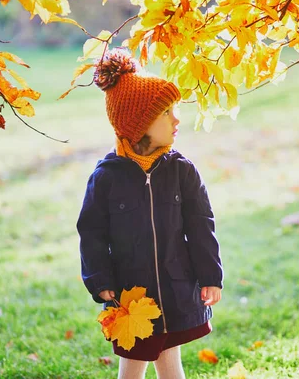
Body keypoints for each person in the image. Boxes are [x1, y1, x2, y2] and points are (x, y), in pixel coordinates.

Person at [77, 48, 223, 379]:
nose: (176, 120)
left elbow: (201, 225)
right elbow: (92, 232)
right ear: (140, 125)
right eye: (166, 114)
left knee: (170, 356)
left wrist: (210, 275)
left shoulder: (181, 171)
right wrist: (100, 281)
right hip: (132, 292)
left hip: (175, 285)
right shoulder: (108, 177)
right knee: (134, 361)